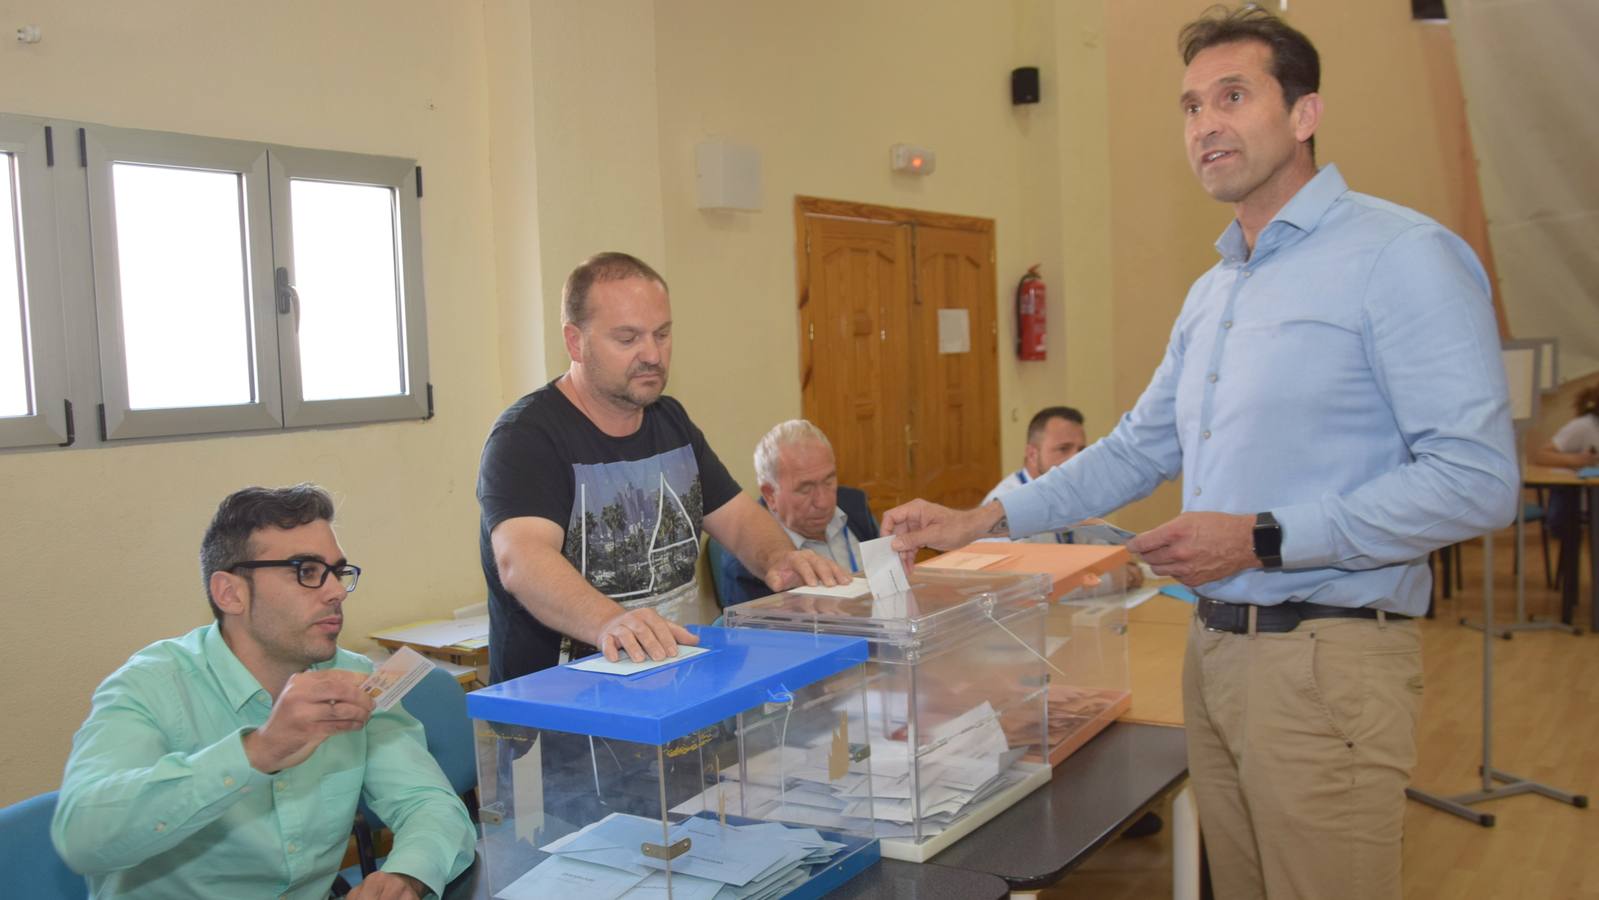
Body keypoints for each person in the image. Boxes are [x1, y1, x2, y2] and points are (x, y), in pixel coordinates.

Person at [881, 7, 1517, 898]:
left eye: (1231, 95)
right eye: (1188, 106)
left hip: (1325, 657)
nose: (1204, 123)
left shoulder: (1399, 257)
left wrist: (1261, 538)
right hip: (1214, 655)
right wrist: (983, 515)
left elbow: (1478, 483)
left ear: (1303, 114)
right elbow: (1140, 446)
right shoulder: (1214, 288)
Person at [51, 485, 475, 900]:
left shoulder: (352, 676)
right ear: (230, 593)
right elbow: (81, 836)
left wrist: (406, 875)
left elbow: (429, 803)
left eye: (337, 572)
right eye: (306, 572)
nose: (335, 592)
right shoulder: (150, 686)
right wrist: (259, 751)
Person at [477, 252, 846, 683]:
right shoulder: (526, 437)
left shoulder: (671, 422)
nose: (652, 354)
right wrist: (609, 622)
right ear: (576, 342)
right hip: (562, 718)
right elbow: (522, 561)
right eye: (628, 338)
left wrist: (780, 558)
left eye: (662, 334)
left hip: (672, 693)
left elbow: (741, 519)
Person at [712, 419, 880, 606]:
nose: (823, 502)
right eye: (805, 489)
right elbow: (762, 632)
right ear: (770, 495)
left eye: (829, 481)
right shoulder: (748, 564)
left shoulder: (855, 506)